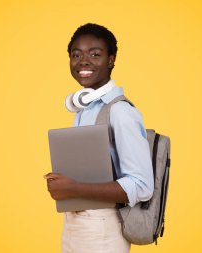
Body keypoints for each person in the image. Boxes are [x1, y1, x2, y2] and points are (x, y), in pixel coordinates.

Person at [45, 23, 154, 253]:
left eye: (95, 54)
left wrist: (74, 188)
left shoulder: (121, 112)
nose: (83, 61)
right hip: (75, 224)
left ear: (111, 60)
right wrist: (62, 183)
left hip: (102, 228)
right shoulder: (85, 109)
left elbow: (142, 186)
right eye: (76, 54)